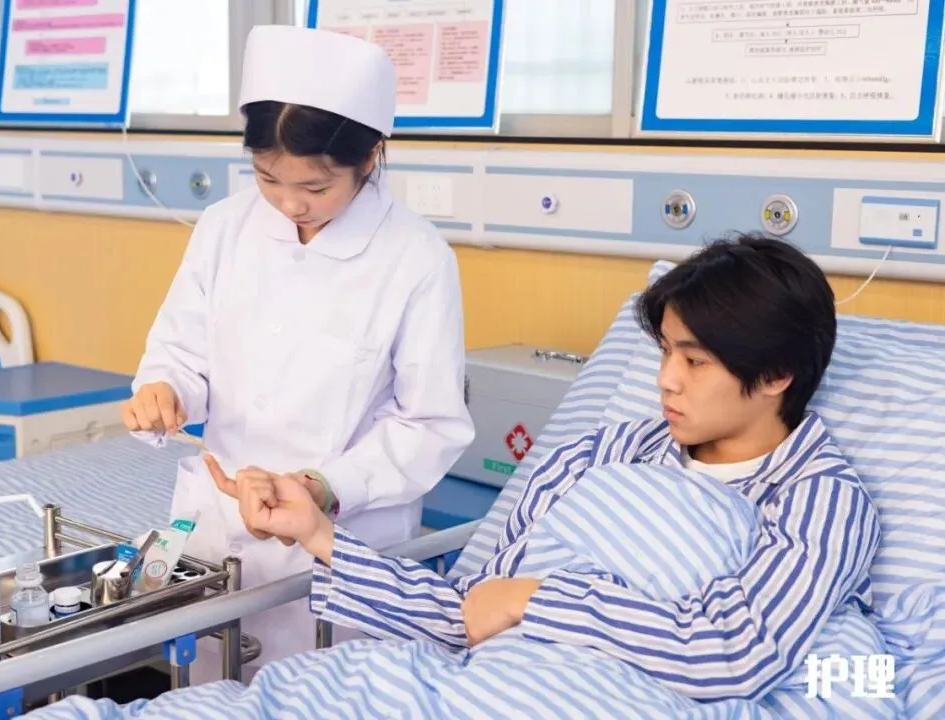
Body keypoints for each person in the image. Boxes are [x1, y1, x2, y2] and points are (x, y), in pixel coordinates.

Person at [206, 232, 882, 700]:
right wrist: (317, 533)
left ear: (776, 375)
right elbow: (467, 611)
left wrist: (537, 600)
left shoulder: (820, 500)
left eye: (695, 361)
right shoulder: (604, 456)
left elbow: (732, 652)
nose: (666, 380)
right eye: (665, 353)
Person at [121, 24, 475, 681]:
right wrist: (165, 390)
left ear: (369, 157)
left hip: (340, 544)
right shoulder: (224, 228)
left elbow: (429, 424)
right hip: (219, 526)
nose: (289, 203)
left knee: (322, 697)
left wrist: (323, 488)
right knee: (206, 694)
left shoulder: (415, 258)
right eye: (267, 177)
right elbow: (180, 350)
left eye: (316, 187)